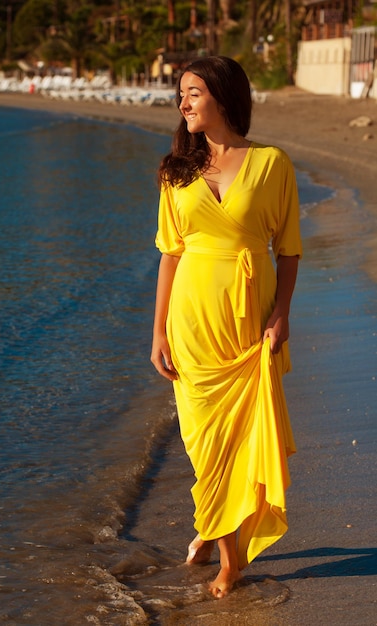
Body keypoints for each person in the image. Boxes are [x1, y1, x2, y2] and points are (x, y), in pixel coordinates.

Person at [150, 56, 302, 599]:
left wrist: (282, 312)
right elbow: (170, 255)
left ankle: (226, 556)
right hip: (191, 322)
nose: (183, 103)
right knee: (204, 444)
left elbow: (287, 252)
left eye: (192, 92)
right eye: (181, 94)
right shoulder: (176, 170)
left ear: (222, 95)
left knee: (241, 442)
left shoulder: (271, 165)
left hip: (246, 320)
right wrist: (159, 332)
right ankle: (221, 540)